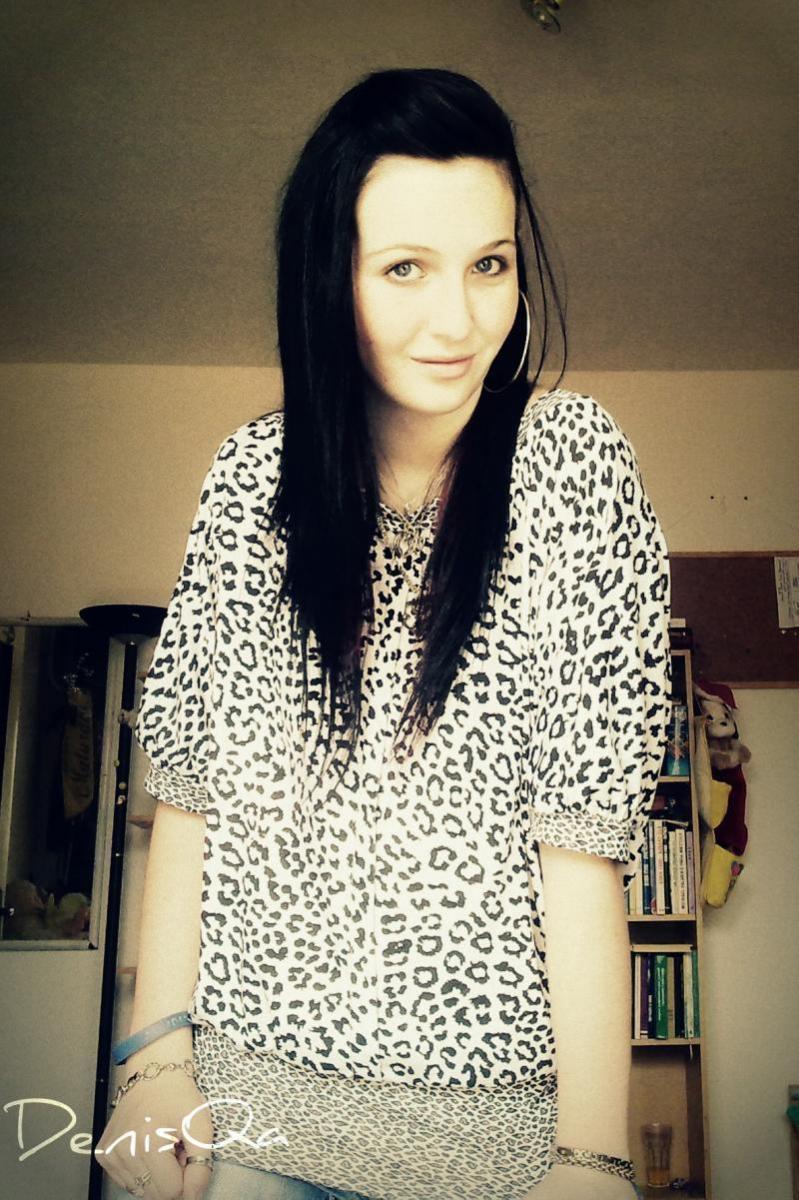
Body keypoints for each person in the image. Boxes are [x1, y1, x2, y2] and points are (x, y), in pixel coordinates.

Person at [95, 68, 669, 1200]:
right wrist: (153, 1064)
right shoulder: (251, 479)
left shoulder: (572, 468)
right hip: (241, 1126)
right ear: (330, 275)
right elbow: (194, 794)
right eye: (405, 267)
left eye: (488, 264)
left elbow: (583, 839)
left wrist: (593, 1157)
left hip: (494, 1151)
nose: (457, 320)